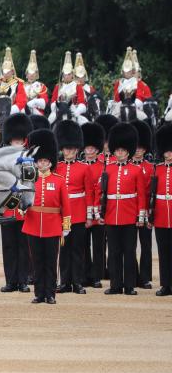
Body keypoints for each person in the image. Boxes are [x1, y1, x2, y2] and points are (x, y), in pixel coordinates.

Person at [97, 122, 147, 295]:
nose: (119, 153)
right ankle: (115, 285)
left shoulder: (136, 170)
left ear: (128, 151)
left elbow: (141, 195)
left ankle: (130, 286)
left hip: (129, 216)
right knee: (114, 252)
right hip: (111, 216)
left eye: (123, 150)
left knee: (129, 252)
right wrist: (101, 213)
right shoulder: (108, 169)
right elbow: (102, 193)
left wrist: (141, 216)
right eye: (117, 150)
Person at [22, 129, 72, 304]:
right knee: (36, 262)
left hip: (53, 226)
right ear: (36, 163)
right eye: (40, 161)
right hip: (33, 225)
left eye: (45, 161)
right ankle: (39, 293)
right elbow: (23, 201)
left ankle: (50, 294)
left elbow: (66, 205)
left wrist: (66, 226)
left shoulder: (59, 180)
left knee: (51, 263)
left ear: (50, 162)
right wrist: (22, 210)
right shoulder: (30, 180)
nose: (42, 164)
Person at [54, 120, 92, 294]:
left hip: (78, 214)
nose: (68, 152)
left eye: (71, 149)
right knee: (64, 248)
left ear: (77, 150)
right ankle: (64, 282)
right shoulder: (58, 167)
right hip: (62, 215)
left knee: (77, 249)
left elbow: (89, 192)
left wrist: (89, 215)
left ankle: (77, 282)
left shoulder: (84, 168)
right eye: (65, 149)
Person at [0, 113, 33, 293]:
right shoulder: (3, 161)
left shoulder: (30, 159)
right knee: (9, 247)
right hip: (7, 209)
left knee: (23, 246)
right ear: (10, 141)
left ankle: (23, 280)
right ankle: (11, 281)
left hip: (24, 210)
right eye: (15, 141)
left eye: (20, 141)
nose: (17, 143)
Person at [80, 122, 106, 288]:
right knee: (84, 245)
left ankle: (97, 276)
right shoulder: (80, 166)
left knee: (98, 246)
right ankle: (85, 275)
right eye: (87, 148)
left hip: (98, 212)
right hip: (82, 211)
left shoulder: (103, 167)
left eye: (92, 148)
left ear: (97, 150)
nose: (89, 151)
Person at [130, 120, 154, 290]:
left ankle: (145, 277)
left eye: (141, 148)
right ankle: (133, 276)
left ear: (145, 150)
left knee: (146, 246)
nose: (138, 150)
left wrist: (150, 212)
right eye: (136, 147)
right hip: (131, 209)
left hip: (146, 211)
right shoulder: (127, 167)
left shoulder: (151, 168)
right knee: (130, 246)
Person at [153, 124, 172, 296]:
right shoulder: (157, 169)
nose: (169, 153)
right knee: (163, 251)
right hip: (160, 216)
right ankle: (166, 284)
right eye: (166, 151)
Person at [0, 47, 27, 116]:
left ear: (12, 71)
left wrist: (9, 110)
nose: (6, 74)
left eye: (8, 72)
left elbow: (21, 101)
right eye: (4, 71)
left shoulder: (18, 83)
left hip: (14, 111)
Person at [49, 51, 87, 124]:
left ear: (72, 74)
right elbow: (53, 101)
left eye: (69, 74)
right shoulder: (58, 86)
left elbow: (82, 102)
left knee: (84, 123)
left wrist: (77, 111)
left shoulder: (77, 85)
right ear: (63, 75)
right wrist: (56, 106)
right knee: (50, 120)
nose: (67, 76)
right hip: (59, 110)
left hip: (73, 110)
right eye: (65, 74)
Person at [23, 50, 49, 117]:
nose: (31, 75)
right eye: (30, 73)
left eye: (33, 73)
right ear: (27, 74)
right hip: (23, 109)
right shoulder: (22, 85)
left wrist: (34, 102)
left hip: (36, 110)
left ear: (36, 75)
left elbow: (44, 101)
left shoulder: (41, 86)